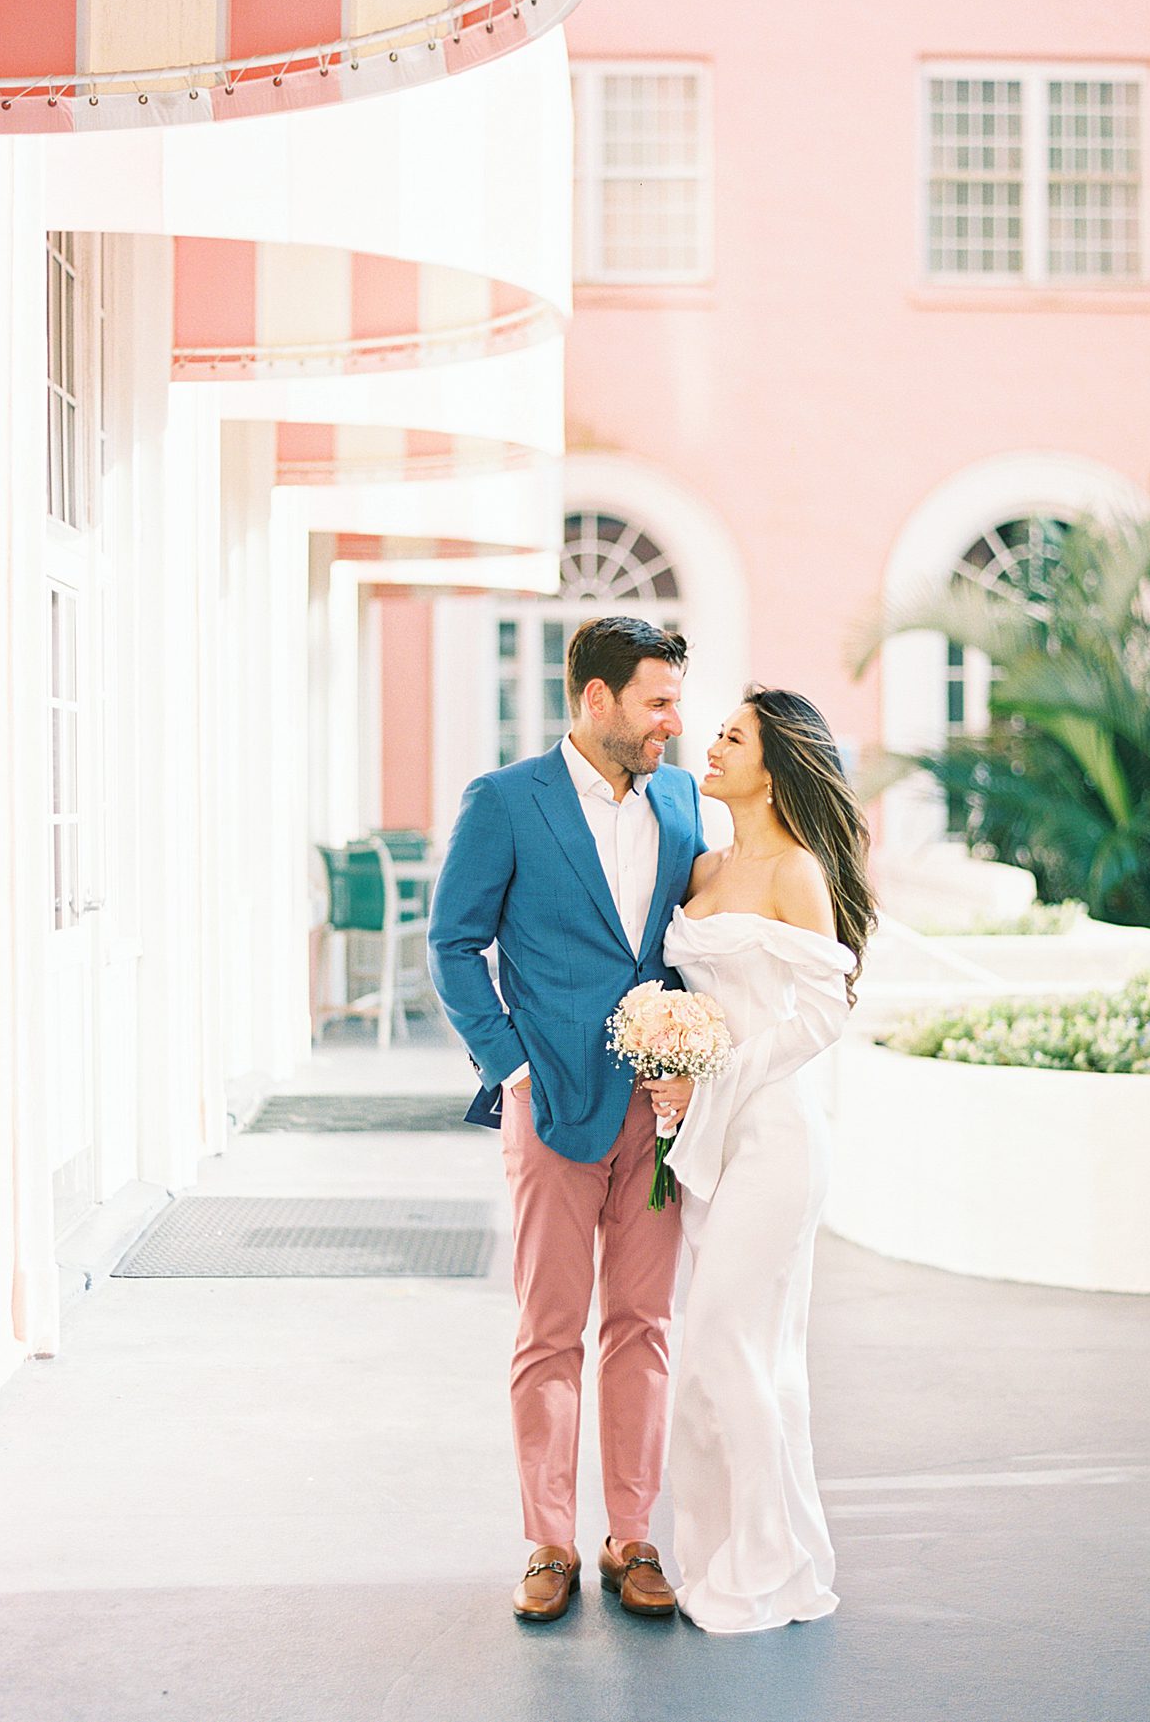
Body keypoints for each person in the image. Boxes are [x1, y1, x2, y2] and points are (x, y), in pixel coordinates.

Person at [427, 616, 707, 1623]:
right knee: (549, 1329)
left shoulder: (680, 799)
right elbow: (453, 943)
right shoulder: (505, 802)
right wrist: (511, 1069)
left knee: (646, 1323)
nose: (673, 721)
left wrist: (692, 1056)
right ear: (597, 700)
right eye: (657, 701)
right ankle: (547, 1541)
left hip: (657, 1110)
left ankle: (631, 1532)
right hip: (549, 1107)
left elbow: (691, 942)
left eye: (675, 699)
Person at [644, 685, 878, 1635]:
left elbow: (824, 1010)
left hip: (775, 1131)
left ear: (774, 768)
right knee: (752, 1353)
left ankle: (767, 1563)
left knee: (723, 1340)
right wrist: (674, 1067)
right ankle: (728, 1551)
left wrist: (721, 1077)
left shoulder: (798, 873)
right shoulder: (702, 865)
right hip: (705, 1140)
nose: (715, 743)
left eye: (734, 736)